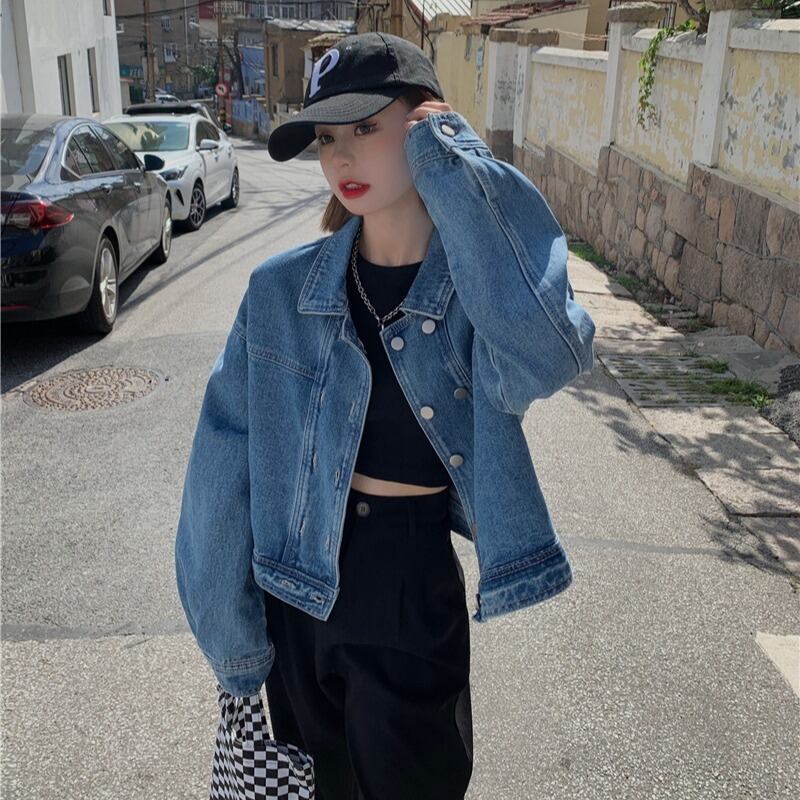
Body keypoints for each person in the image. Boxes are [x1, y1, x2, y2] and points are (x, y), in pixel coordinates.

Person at [175, 31, 596, 800]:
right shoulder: (279, 292)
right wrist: (232, 641)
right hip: (294, 592)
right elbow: (220, 467)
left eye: (366, 127)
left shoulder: (474, 294)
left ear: (425, 120)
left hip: (409, 584)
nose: (341, 156)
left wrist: (454, 156)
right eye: (326, 138)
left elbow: (549, 351)